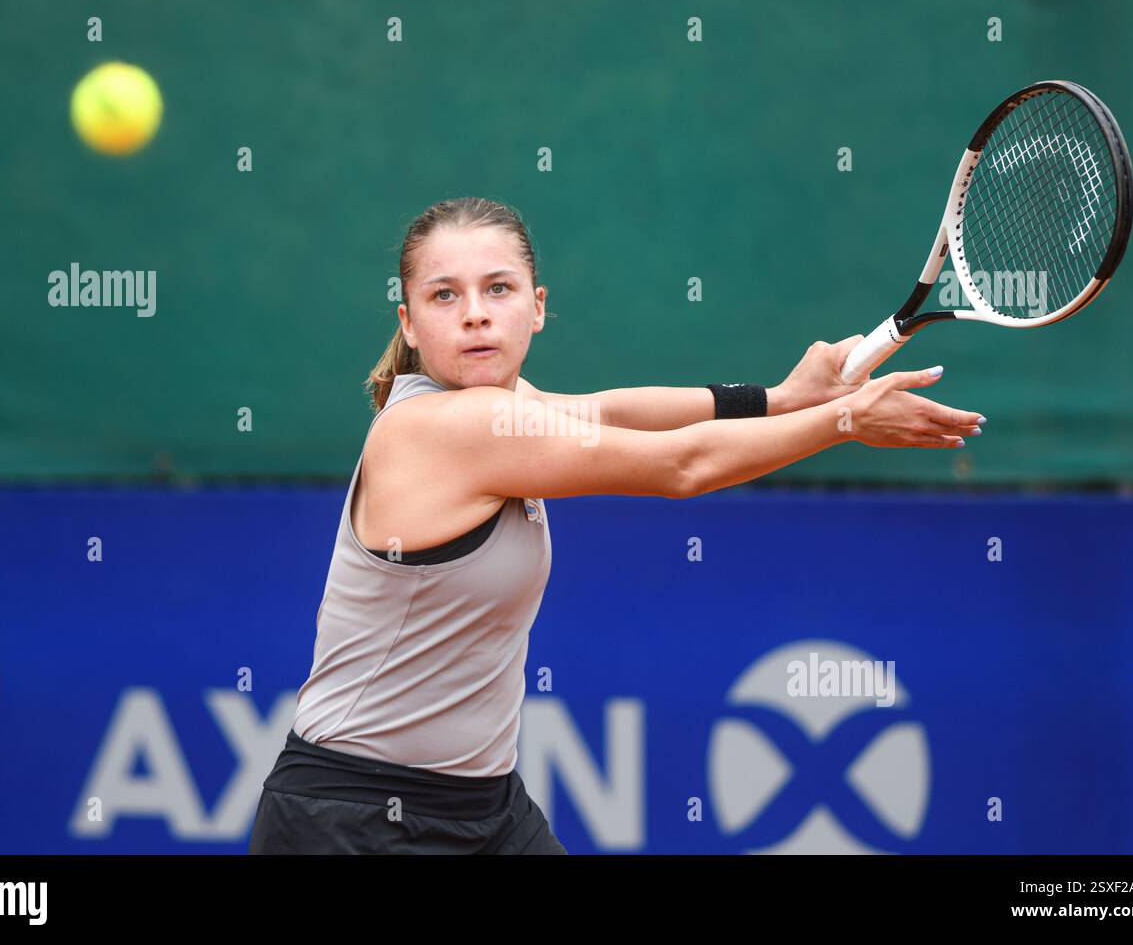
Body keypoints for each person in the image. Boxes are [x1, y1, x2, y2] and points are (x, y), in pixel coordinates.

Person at [248, 196, 984, 855]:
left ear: (536, 307)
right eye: (445, 296)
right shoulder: (438, 429)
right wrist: (844, 418)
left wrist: (781, 398)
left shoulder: (507, 404)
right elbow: (680, 467)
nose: (475, 312)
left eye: (496, 289)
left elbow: (613, 409)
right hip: (351, 822)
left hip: (484, 807)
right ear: (408, 322)